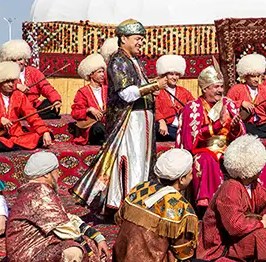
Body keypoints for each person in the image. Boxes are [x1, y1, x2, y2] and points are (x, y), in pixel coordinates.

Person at [59, 149, 223, 262]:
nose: (192, 176)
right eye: (190, 174)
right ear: (181, 179)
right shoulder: (181, 207)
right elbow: (183, 254)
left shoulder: (140, 188)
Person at [71, 19, 166, 212]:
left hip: (143, 122)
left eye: (142, 39)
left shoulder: (136, 60)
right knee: (132, 161)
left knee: (143, 161)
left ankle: (142, 200)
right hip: (129, 123)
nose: (141, 42)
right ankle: (128, 204)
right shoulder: (118, 60)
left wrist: (151, 88)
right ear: (124, 39)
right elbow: (126, 93)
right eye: (138, 38)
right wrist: (154, 86)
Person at [176, 65, 266, 210]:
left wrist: (234, 127)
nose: (220, 91)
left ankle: (264, 200)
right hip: (203, 149)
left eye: (222, 87)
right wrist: (218, 125)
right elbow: (190, 140)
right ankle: (210, 204)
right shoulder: (193, 108)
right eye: (216, 87)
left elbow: (240, 136)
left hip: (228, 148)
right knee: (207, 159)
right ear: (205, 89)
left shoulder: (228, 104)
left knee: (255, 157)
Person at [5, 151, 110, 262]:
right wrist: (91, 255)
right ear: (46, 174)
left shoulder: (37, 190)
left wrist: (96, 236)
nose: (58, 174)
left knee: (87, 241)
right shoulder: (39, 193)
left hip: (37, 248)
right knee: (73, 251)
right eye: (56, 170)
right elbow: (65, 229)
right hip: (27, 258)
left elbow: (67, 219)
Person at [0, 61, 53, 152]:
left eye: (12, 81)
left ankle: (13, 145)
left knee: (46, 135)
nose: (11, 84)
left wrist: (44, 131)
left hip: (16, 135)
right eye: (7, 82)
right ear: (0, 82)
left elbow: (32, 115)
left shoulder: (19, 96)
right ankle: (15, 146)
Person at [227, 53, 266, 138]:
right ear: (246, 76)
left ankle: (261, 135)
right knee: (244, 127)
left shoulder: (265, 90)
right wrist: (241, 103)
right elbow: (226, 104)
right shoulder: (236, 89)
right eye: (253, 76)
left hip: (262, 124)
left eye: (258, 76)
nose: (257, 79)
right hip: (246, 123)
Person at [0, 39, 62, 119]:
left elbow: (46, 87)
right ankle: (30, 116)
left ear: (25, 59)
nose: (17, 63)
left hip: (34, 107)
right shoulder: (4, 73)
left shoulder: (34, 72)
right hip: (14, 108)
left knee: (50, 106)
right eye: (13, 60)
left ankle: (30, 116)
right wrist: (16, 86)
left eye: (20, 59)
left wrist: (56, 100)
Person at [154, 54, 194, 142]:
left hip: (182, 126)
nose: (175, 77)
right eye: (171, 74)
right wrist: (161, 121)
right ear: (165, 75)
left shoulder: (184, 91)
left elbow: (194, 105)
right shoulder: (158, 91)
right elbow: (154, 108)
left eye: (177, 75)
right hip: (165, 126)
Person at [70, 53, 107, 145]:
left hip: (107, 124)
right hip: (91, 127)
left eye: (103, 72)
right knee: (98, 128)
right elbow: (75, 113)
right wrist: (89, 109)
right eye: (99, 72)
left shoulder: (107, 90)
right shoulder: (82, 92)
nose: (102, 74)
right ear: (91, 74)